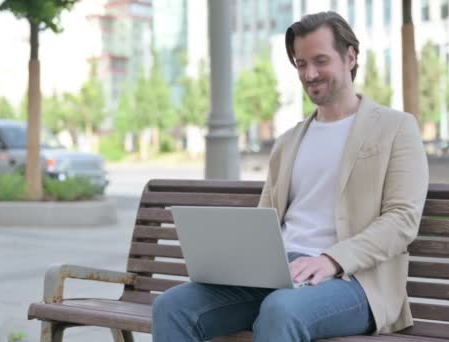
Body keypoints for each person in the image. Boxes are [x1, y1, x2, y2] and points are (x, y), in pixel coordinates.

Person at [152, 11, 428, 342]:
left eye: (320, 61)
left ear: (350, 57)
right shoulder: (288, 142)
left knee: (282, 309)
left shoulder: (396, 128)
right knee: (172, 306)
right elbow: (265, 219)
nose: (310, 74)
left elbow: (402, 219)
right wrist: (235, 262)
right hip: (279, 274)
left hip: (355, 281)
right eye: (301, 64)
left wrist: (331, 259)